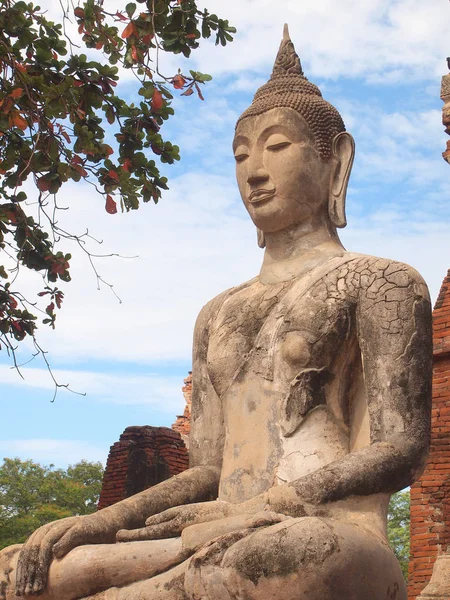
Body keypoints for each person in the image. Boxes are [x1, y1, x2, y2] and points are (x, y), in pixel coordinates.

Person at [0, 25, 432, 600]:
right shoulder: (217, 313)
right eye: (241, 154)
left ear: (338, 162)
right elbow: (206, 470)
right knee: (22, 567)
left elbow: (400, 450)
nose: (254, 170)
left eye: (277, 146)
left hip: (322, 533)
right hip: (211, 534)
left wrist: (270, 505)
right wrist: (101, 523)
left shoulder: (382, 281)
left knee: (290, 558)